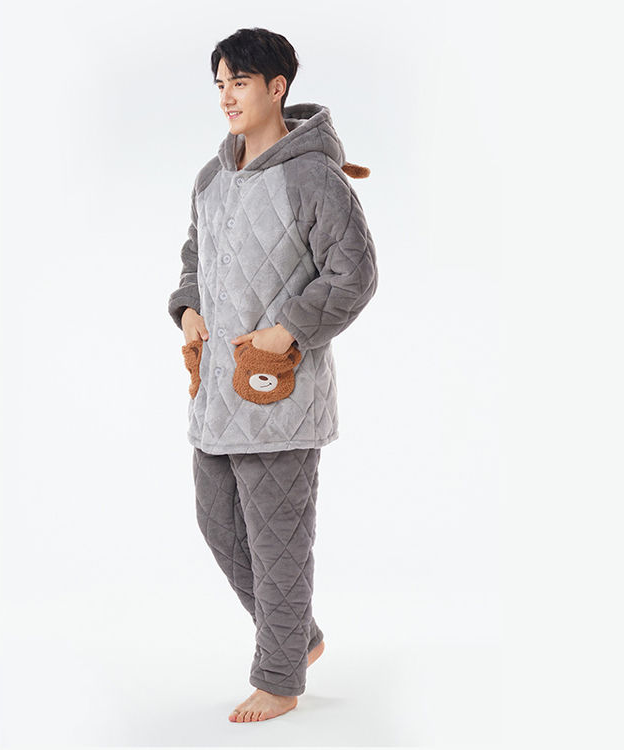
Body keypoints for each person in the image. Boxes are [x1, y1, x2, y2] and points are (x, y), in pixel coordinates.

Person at [167, 27, 378, 723]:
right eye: (220, 84)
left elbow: (354, 273)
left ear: (276, 87)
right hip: (216, 393)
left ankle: (281, 677)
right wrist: (188, 310)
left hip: (279, 391)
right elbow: (194, 258)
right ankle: (300, 637)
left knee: (278, 541)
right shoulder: (211, 178)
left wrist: (288, 329)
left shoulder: (312, 177)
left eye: (240, 82)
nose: (227, 97)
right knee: (217, 524)